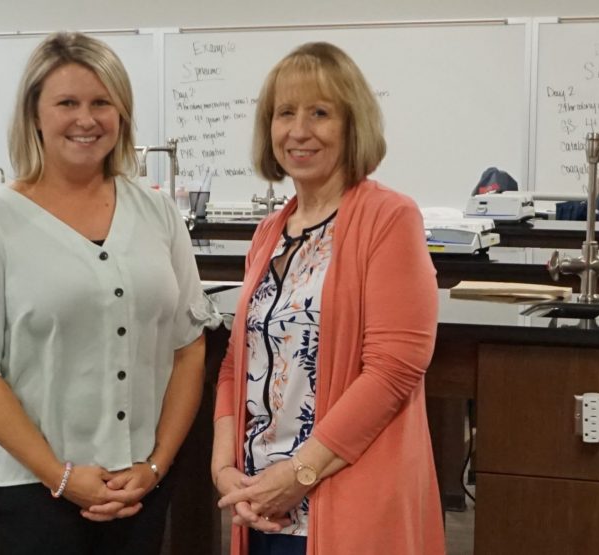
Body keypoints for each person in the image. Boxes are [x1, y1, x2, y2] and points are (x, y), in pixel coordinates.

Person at [0, 31, 217, 555]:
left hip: (141, 487)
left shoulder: (157, 214)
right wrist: (61, 476)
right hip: (35, 492)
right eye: (67, 103)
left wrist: (155, 466)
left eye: (101, 103)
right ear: (35, 114)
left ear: (121, 114)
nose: (86, 120)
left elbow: (188, 346)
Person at [210, 42, 445, 555]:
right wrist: (224, 467)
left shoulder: (389, 218)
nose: (299, 130)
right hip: (260, 503)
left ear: (351, 124)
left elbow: (395, 368)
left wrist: (299, 472)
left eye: (320, 112)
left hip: (339, 500)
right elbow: (236, 363)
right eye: (285, 113)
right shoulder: (271, 231)